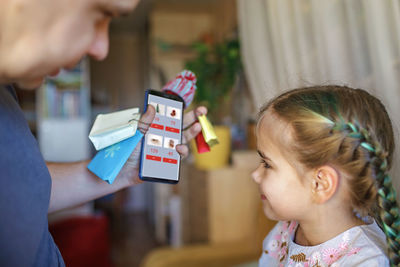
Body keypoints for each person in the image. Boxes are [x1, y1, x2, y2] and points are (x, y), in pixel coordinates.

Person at [0, 0, 206, 266]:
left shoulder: (5, 94)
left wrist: (121, 170)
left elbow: (23, 189)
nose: (101, 49)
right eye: (99, 14)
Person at [252, 85, 400, 266]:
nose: (255, 175)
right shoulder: (287, 229)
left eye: (267, 164)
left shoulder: (366, 261)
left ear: (320, 184)